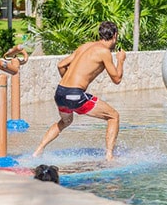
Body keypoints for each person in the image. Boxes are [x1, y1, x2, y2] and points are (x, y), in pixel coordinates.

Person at [32, 21, 126, 161]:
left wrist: (69, 86)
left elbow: (61, 65)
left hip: (60, 93)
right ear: (115, 35)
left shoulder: (85, 46)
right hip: (75, 95)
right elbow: (117, 79)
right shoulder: (104, 52)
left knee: (65, 121)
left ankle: (38, 151)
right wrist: (121, 60)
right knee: (113, 116)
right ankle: (109, 156)